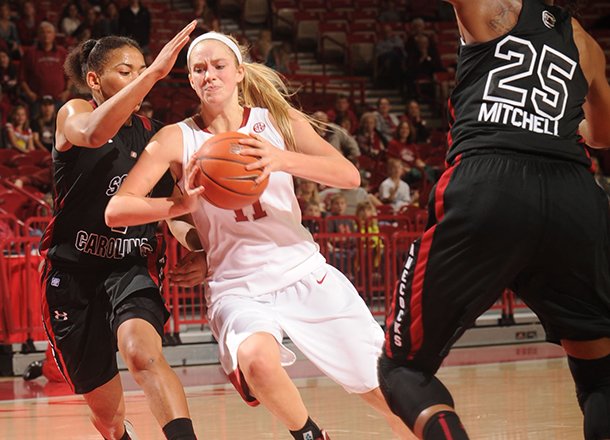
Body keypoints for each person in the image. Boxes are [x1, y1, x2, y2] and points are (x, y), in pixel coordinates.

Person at [105, 31, 414, 440]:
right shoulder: (176, 138)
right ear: (192, 80)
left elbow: (348, 174)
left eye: (218, 66)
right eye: (199, 69)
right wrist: (184, 212)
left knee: (386, 391)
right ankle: (309, 434)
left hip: (302, 270)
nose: (209, 75)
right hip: (236, 286)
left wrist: (280, 158)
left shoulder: (275, 120)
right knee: (257, 360)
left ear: (238, 73)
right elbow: (118, 209)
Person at [378, 1, 610, 439]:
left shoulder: (496, 7)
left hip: (490, 180)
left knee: (402, 367)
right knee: (602, 376)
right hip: (574, 195)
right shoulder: (588, 45)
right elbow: (603, 134)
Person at [39, 21, 202, 440]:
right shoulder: (73, 113)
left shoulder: (151, 136)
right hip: (71, 275)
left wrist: (201, 248)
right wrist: (153, 75)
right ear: (94, 79)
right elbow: (94, 133)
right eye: (126, 71)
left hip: (129, 266)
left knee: (142, 354)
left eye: (141, 69)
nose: (139, 77)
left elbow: (175, 213)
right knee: (109, 418)